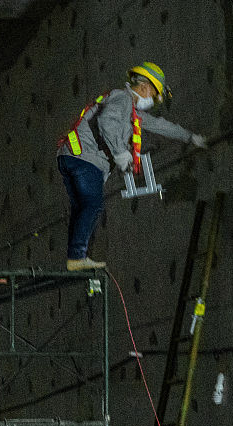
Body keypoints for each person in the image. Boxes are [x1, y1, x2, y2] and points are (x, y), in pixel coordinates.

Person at [56, 62, 208, 270]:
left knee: (82, 207)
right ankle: (76, 258)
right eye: (154, 95)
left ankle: (75, 256)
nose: (153, 101)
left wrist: (189, 137)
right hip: (84, 158)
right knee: (92, 204)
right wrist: (120, 152)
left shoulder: (131, 112)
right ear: (145, 87)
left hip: (71, 157)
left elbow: (160, 125)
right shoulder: (123, 99)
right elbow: (106, 122)